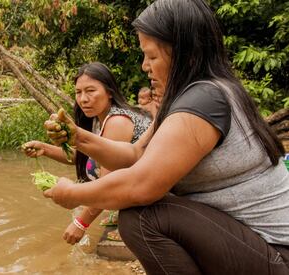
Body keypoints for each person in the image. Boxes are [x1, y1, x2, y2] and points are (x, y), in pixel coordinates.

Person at [41, 0, 289, 274]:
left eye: (152, 56)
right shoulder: (192, 96)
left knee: (142, 217)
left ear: (185, 54)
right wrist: (78, 137)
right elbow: (136, 155)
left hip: (277, 254)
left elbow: (142, 185)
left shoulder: (204, 99)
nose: (145, 66)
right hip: (252, 245)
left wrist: (73, 194)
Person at [23, 62, 151, 244]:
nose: (83, 99)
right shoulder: (99, 119)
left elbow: (107, 185)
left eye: (90, 91)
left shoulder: (117, 121)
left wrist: (80, 223)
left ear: (109, 92)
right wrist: (45, 149)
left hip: (148, 199)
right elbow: (85, 158)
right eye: (78, 92)